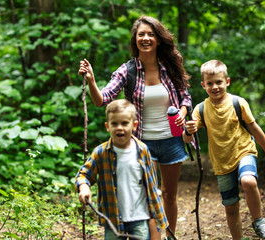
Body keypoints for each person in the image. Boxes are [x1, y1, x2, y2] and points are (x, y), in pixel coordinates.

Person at [78, 16, 192, 240]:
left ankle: (169, 236)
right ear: (135, 39)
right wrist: (91, 81)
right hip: (141, 143)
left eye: (150, 34)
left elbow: (185, 96)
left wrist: (183, 112)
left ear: (158, 39)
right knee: (147, 195)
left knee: (169, 195)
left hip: (172, 139)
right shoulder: (127, 70)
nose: (146, 38)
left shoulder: (170, 66)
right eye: (141, 34)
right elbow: (103, 99)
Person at [183, 60, 265, 240]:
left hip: (244, 151)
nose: (215, 87)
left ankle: (259, 222)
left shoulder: (238, 103)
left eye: (219, 82)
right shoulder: (200, 109)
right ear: (203, 85)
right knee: (231, 206)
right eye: (210, 83)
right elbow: (187, 139)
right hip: (221, 161)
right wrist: (188, 131)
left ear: (227, 81)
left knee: (248, 181)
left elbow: (254, 129)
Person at [75, 99, 168, 239]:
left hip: (139, 217)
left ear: (134, 125)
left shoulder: (142, 150)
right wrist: (84, 187)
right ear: (107, 126)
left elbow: (151, 186)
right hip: (112, 217)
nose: (119, 127)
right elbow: (83, 175)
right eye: (114, 123)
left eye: (124, 123)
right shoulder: (101, 153)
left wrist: (155, 216)